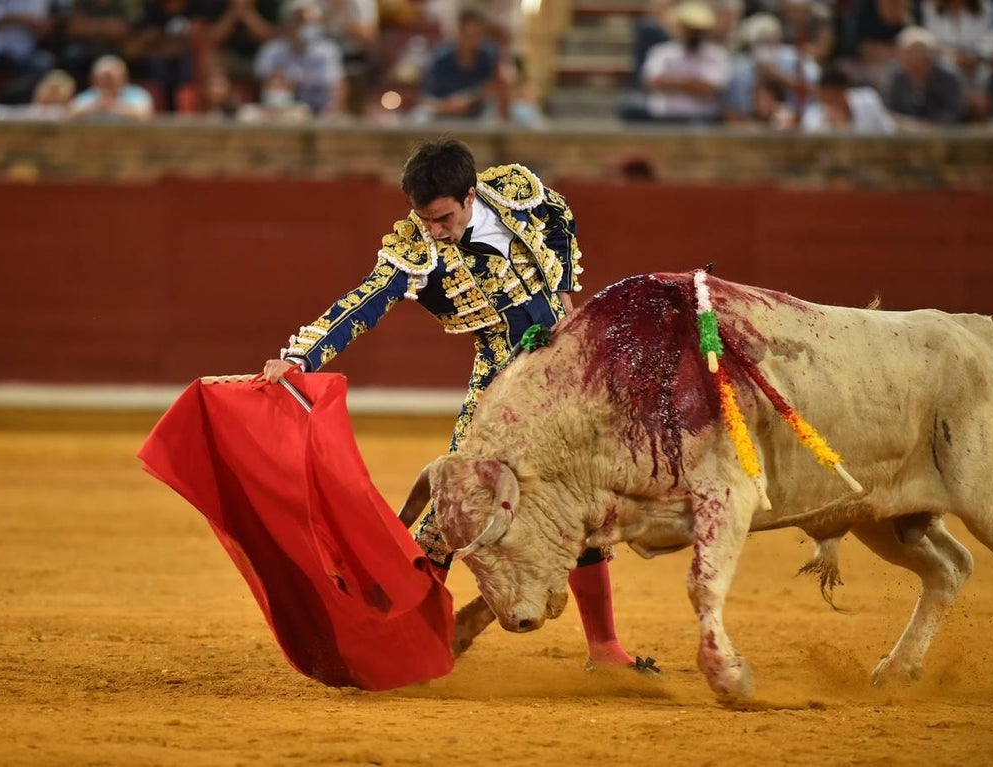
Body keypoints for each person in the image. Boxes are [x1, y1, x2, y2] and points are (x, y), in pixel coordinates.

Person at [261, 138, 642, 671]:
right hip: (499, 386)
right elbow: (363, 302)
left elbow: (558, 216)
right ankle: (407, 638)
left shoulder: (517, 195)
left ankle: (604, 648)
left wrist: (561, 294)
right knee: (451, 506)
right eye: (424, 218)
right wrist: (299, 358)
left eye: (442, 217)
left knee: (580, 505)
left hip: (565, 379)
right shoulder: (418, 250)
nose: (434, 229)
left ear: (470, 195)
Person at [638, 1, 732, 123]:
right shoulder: (662, 52)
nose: (693, 33)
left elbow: (709, 90)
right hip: (663, 119)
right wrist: (692, 83)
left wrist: (671, 82)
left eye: (697, 29)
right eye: (689, 28)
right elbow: (653, 83)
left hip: (702, 120)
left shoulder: (717, 55)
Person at [68, 54, 153, 120]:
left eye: (111, 78)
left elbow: (145, 115)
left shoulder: (137, 94)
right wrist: (95, 106)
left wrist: (115, 106)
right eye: (103, 78)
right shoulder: (87, 97)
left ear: (123, 77)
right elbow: (70, 115)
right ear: (94, 79)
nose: (107, 82)